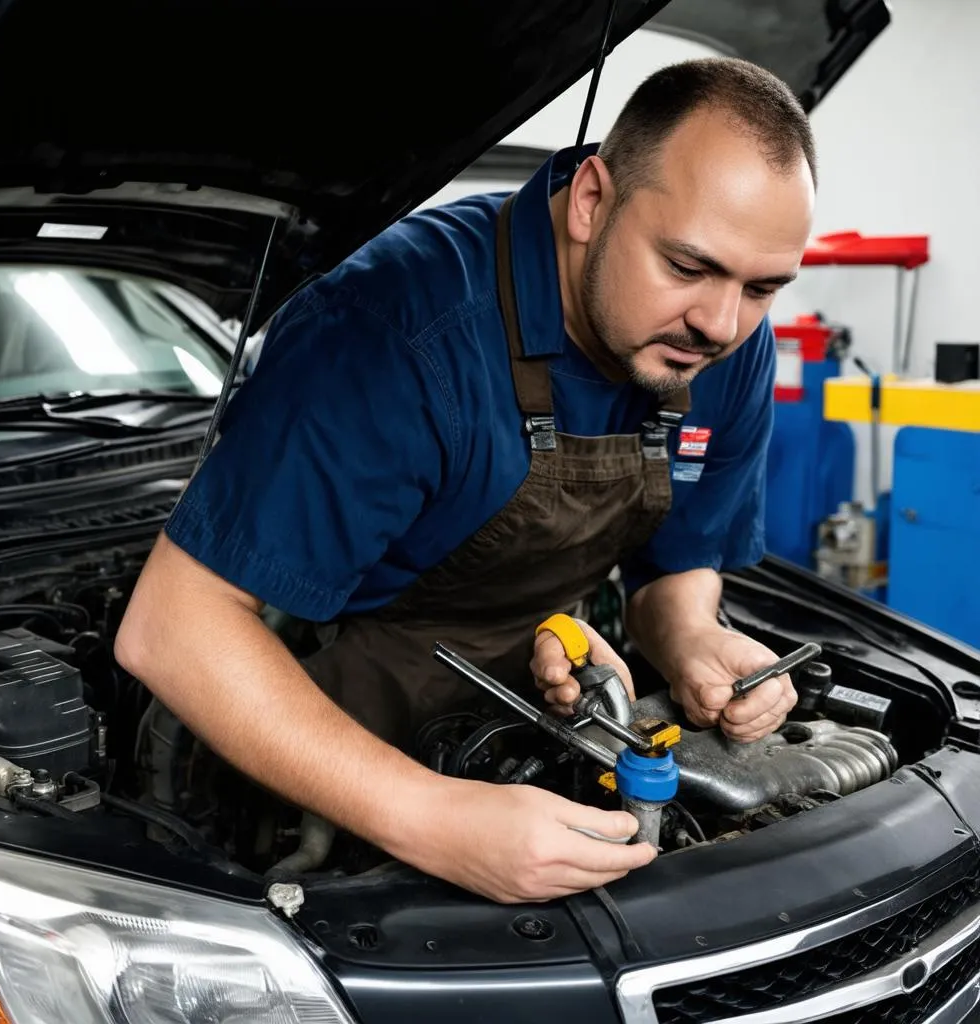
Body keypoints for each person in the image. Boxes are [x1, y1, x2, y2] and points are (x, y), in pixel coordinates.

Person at [115, 56, 816, 904]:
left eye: (764, 287)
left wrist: (693, 638)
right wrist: (433, 819)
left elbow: (673, 570)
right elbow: (172, 628)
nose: (722, 323)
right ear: (592, 201)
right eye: (688, 267)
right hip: (309, 734)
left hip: (526, 706)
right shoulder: (393, 332)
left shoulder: (717, 345)